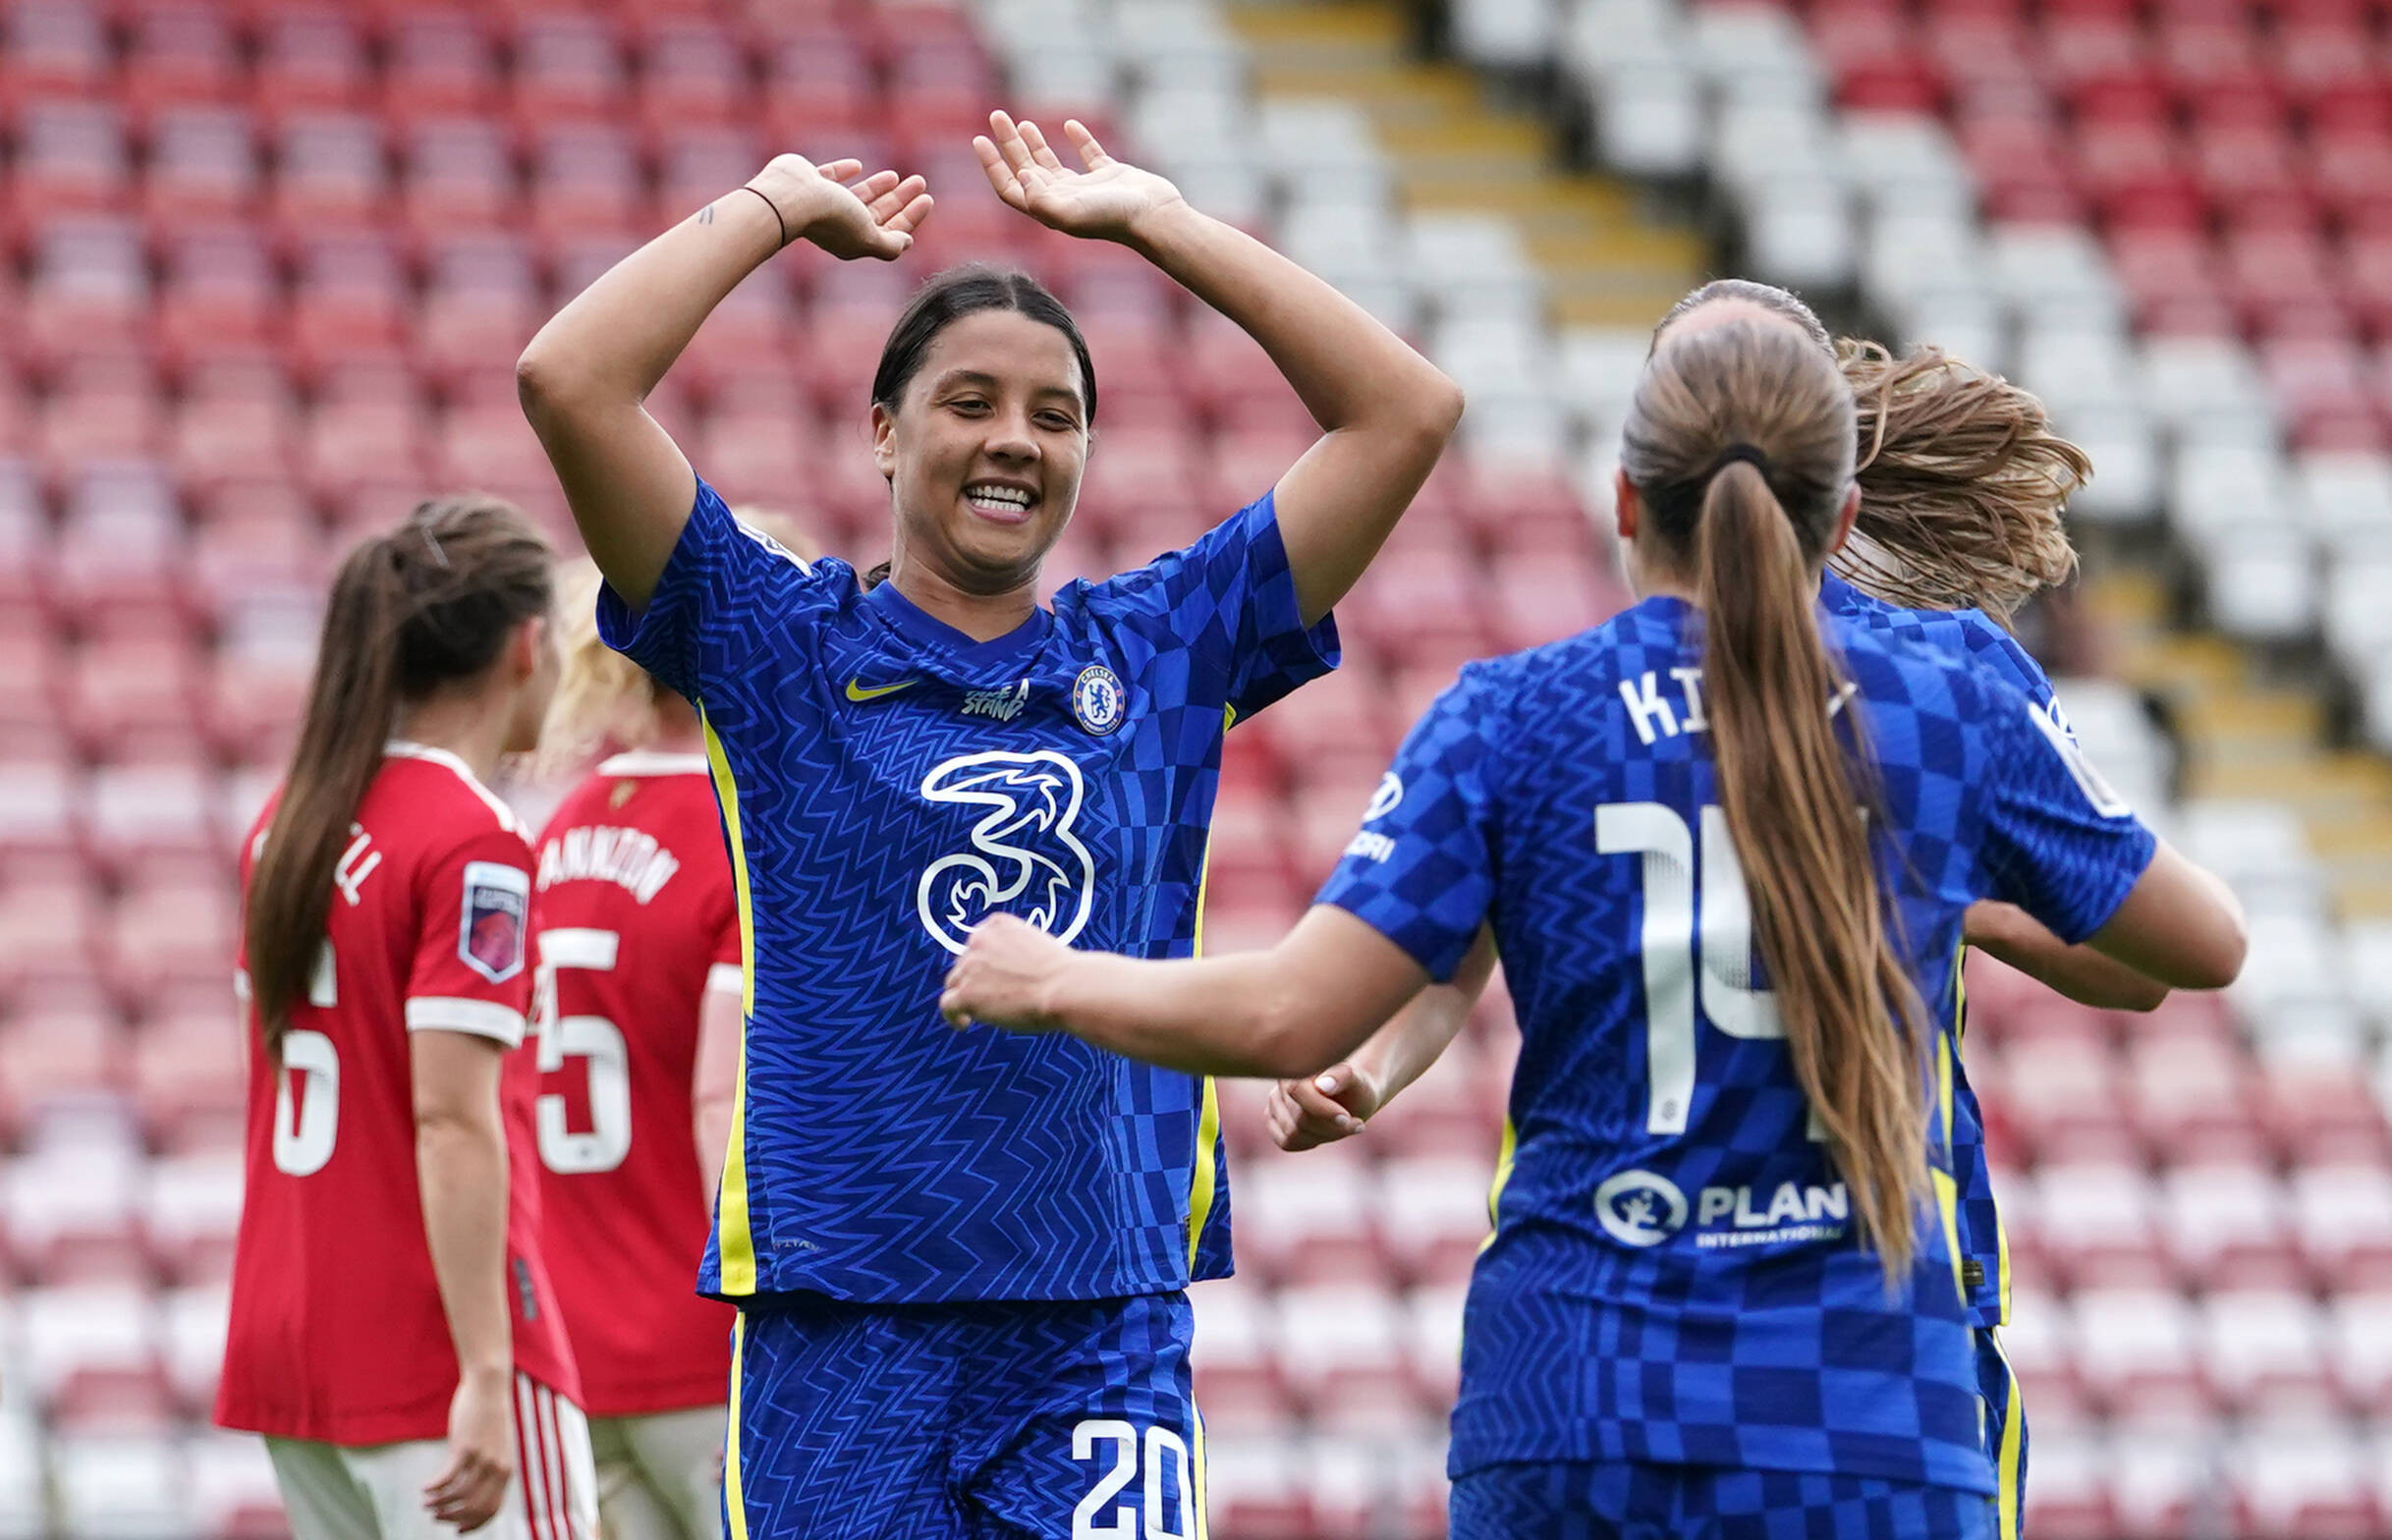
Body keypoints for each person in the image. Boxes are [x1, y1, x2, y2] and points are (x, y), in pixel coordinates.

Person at [937, 314, 2246, 1538]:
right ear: (1841, 504)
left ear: (1625, 498)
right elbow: (2179, 956)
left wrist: (1056, 978)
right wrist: (1925, 884)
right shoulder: (1943, 697)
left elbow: (1312, 997)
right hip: (1865, 1396)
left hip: (1577, 1391)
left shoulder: (1530, 715)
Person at [514, 109, 1463, 1535]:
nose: (1012, 440)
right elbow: (569, 381)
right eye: (968, 402)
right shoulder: (777, 647)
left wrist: (1159, 221)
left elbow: (1404, 412)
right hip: (843, 1327)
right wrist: (769, 207)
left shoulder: (1159, 650)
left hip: (1101, 1319)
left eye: (1054, 413)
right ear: (883, 431)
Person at [1269, 279, 2159, 1540]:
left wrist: (1916, 883)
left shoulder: (1937, 682)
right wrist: (1369, 1061)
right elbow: (1446, 951)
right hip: (1624, 1321)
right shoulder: (1577, 704)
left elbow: (2135, 965)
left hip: (1880, 1324)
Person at [219, 496, 597, 1540]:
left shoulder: (287, 822)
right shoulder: (474, 840)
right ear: (528, 646)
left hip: (289, 1339)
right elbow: (450, 1119)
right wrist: (486, 1365)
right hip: (431, 1348)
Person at [526, 510, 820, 1540]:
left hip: (567, 1347)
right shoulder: (743, 828)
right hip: (705, 1344)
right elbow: (723, 1102)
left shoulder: (554, 828)